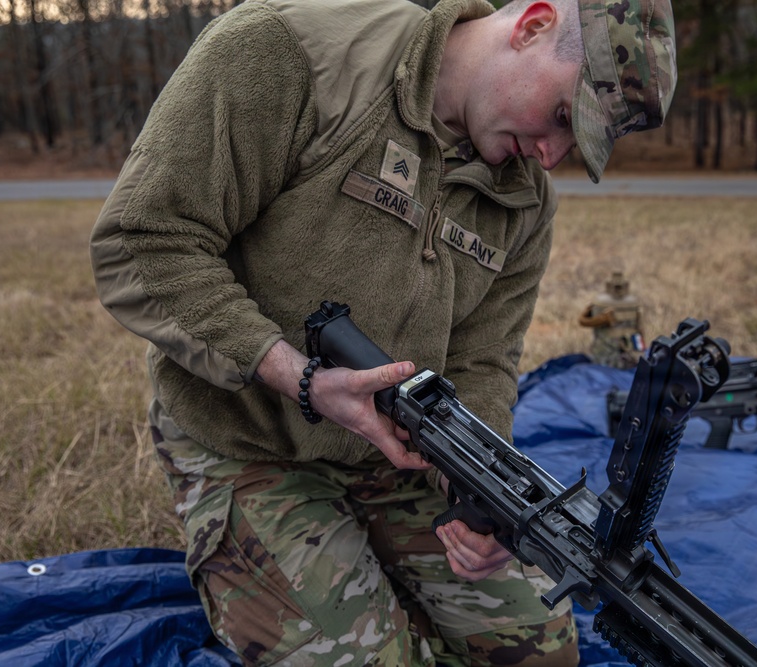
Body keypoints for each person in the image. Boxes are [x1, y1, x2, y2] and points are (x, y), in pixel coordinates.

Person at [89, 0, 676, 663]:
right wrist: (297, 375)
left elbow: (484, 358)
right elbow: (144, 239)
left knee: (541, 652)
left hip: (397, 456)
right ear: (532, 25)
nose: (551, 153)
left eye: (577, 146)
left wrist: (482, 501)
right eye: (564, 117)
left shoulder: (526, 199)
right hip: (250, 438)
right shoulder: (289, 55)